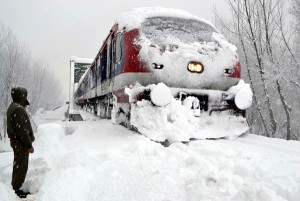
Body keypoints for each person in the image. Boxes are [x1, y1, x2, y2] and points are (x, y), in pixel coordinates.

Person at [6, 87, 35, 198]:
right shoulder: (18, 109)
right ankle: (16, 189)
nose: (25, 98)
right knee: (21, 165)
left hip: (16, 142)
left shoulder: (12, 107)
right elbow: (22, 130)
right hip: (20, 143)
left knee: (18, 164)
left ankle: (15, 186)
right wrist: (29, 145)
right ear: (21, 96)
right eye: (24, 95)